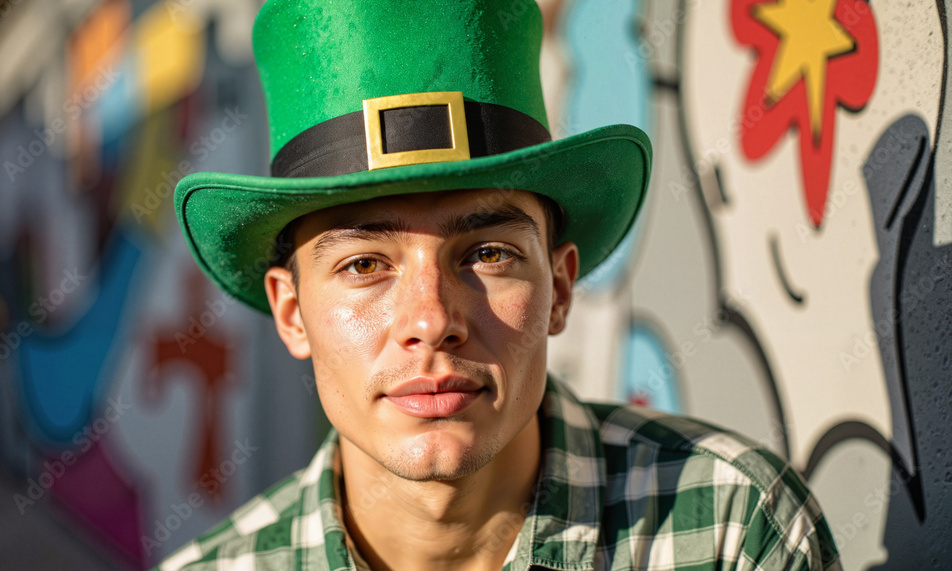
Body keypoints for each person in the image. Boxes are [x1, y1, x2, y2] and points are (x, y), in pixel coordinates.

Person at [161, 0, 840, 569]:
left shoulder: (733, 529)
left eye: (486, 252)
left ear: (561, 286)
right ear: (292, 312)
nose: (430, 319)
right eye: (364, 264)